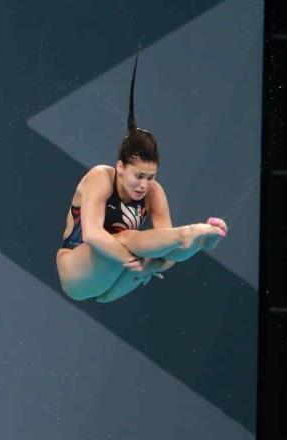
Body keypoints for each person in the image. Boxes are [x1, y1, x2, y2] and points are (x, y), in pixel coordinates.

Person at [55, 56, 227, 303]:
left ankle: (202, 240)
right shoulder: (101, 177)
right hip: (77, 270)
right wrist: (140, 262)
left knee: (159, 252)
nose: (144, 185)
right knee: (128, 240)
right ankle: (187, 233)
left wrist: (151, 265)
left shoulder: (154, 192)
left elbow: (167, 258)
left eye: (150, 177)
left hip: (116, 280)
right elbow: (92, 235)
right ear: (121, 167)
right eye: (138, 176)